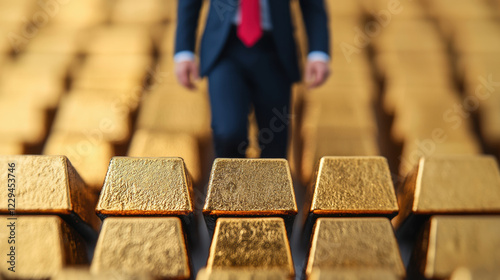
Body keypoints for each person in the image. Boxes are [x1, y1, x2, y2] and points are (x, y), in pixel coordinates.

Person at [175, 0, 330, 158]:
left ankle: (270, 182)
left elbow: (312, 4)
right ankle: (231, 181)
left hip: (275, 51)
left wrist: (318, 52)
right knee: (228, 133)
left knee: (274, 145)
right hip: (224, 50)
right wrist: (184, 51)